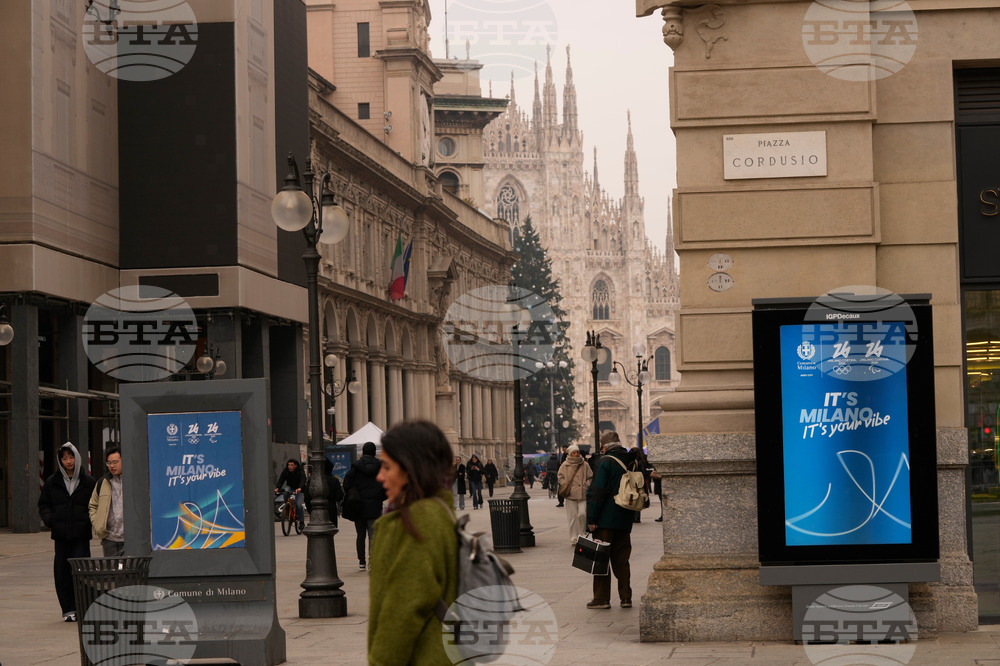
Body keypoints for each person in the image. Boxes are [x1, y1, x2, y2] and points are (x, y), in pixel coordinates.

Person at [368, 419, 458, 664]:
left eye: (387, 466)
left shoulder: (416, 520)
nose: (380, 476)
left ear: (409, 468)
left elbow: (403, 610)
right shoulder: (440, 511)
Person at [40, 442, 96, 622]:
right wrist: (51, 520)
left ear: (77, 458)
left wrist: (90, 521)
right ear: (60, 460)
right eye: (64, 458)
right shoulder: (52, 482)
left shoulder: (88, 482)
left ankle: (83, 607)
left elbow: (95, 504)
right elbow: (44, 504)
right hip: (61, 536)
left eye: (71, 457)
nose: (68, 461)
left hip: (81, 535)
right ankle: (68, 610)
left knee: (82, 573)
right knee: (62, 573)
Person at [585, 430, 637, 609]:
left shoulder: (605, 461)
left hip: (605, 519)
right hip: (625, 516)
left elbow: (597, 491)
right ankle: (626, 597)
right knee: (622, 559)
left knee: (601, 558)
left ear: (605, 447)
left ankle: (601, 598)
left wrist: (591, 519)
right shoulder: (631, 460)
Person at [343, 442, 387, 571]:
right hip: (375, 506)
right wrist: (379, 497)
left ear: (362, 452)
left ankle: (361, 561)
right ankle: (372, 562)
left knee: (360, 535)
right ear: (374, 453)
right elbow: (387, 486)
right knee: (373, 536)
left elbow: (346, 485)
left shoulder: (355, 467)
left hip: (358, 506)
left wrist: (354, 494)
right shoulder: (381, 467)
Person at [89, 446, 124, 556]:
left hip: (130, 539)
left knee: (129, 572)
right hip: (109, 539)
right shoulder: (103, 482)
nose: (112, 466)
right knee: (112, 571)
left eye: (115, 462)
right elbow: (92, 505)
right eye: (109, 463)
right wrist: (98, 524)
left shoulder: (135, 481)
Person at [557, 444, 593, 546]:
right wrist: (566, 484)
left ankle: (582, 534)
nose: (576, 454)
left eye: (577, 452)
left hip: (582, 493)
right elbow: (560, 476)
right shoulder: (565, 464)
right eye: (574, 452)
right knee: (572, 517)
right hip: (570, 494)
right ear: (570, 454)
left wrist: (586, 485)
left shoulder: (584, 464)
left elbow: (590, 476)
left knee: (582, 514)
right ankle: (574, 537)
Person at [274, 458, 307, 531]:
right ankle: (288, 507)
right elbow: (281, 480)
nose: (290, 467)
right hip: (291, 487)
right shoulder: (286, 471)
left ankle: (301, 522)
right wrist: (277, 487)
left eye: (292, 465)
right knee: (286, 492)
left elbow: (303, 480)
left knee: (298, 504)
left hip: (299, 489)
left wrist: (300, 488)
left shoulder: (300, 471)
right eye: (289, 465)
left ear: (295, 466)